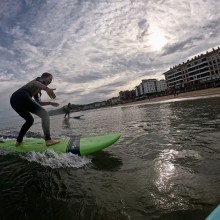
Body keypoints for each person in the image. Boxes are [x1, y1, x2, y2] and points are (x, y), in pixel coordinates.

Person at [10, 72, 60, 147]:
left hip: (14, 100)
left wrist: (50, 103)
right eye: (50, 78)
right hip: (21, 95)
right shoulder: (39, 79)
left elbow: (38, 102)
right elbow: (36, 83)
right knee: (45, 114)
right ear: (44, 77)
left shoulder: (38, 90)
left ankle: (19, 142)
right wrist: (47, 89)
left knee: (29, 120)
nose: (50, 81)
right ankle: (48, 140)